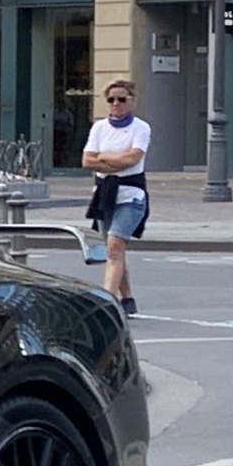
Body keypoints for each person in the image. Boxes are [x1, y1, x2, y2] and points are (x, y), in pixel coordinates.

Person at [83, 78, 151, 317]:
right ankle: (127, 299)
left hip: (131, 195)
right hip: (105, 194)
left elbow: (132, 160)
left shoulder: (140, 128)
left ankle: (106, 301)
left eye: (122, 99)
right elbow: (87, 160)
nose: (116, 104)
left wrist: (104, 159)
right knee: (115, 250)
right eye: (111, 99)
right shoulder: (99, 128)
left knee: (114, 246)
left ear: (132, 100)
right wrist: (115, 160)